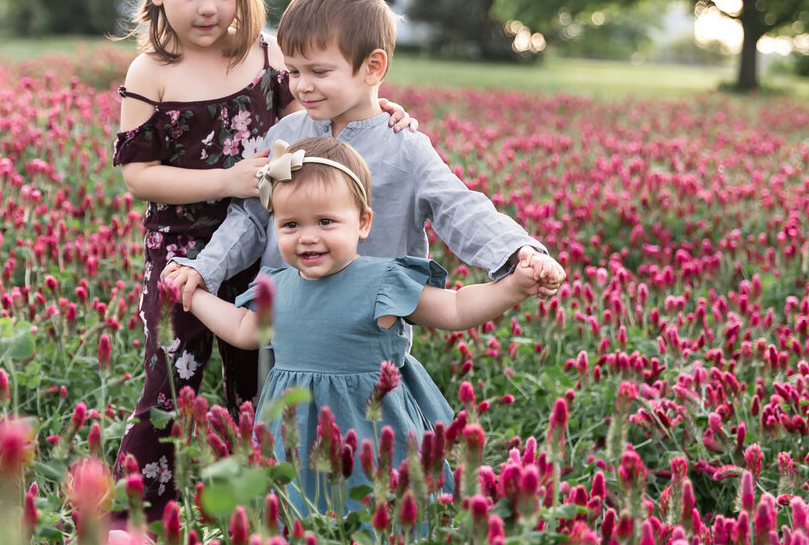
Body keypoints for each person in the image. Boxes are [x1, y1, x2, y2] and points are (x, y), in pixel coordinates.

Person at [111, 0, 413, 520]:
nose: (209, 7)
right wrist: (227, 180)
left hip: (277, 237)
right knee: (171, 374)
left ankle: (272, 503)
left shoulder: (267, 53)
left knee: (262, 375)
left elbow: (317, 110)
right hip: (184, 250)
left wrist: (376, 106)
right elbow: (139, 175)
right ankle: (133, 518)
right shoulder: (151, 71)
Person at [165, 0, 564, 322]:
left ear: (373, 67)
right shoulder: (285, 135)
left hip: (369, 333)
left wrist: (517, 252)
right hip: (285, 323)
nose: (302, 85)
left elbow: (458, 207)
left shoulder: (404, 147)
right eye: (294, 71)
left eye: (319, 71)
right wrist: (206, 269)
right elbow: (250, 219)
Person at [188, 137, 550, 514]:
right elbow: (244, 328)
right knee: (299, 521)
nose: (308, 236)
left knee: (382, 516)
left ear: (363, 222)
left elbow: (456, 308)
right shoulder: (276, 285)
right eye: (291, 224)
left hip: (373, 431)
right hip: (294, 436)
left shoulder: (383, 281)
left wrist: (511, 287)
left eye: (325, 221)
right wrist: (195, 295)